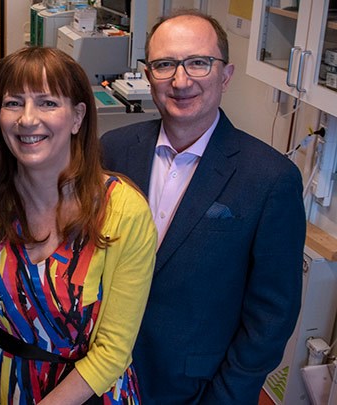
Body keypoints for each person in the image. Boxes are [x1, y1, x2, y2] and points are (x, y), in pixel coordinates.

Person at [101, 9, 306, 404]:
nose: (181, 80)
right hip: (103, 375)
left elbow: (271, 317)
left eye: (199, 62)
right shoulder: (114, 150)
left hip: (196, 388)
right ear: (148, 75)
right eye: (165, 65)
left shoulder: (269, 178)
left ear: (225, 75)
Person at [0, 46, 157, 405]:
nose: (27, 119)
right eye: (13, 103)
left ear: (78, 117)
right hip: (1, 387)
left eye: (47, 103)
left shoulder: (124, 211)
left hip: (89, 393)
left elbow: (113, 349)